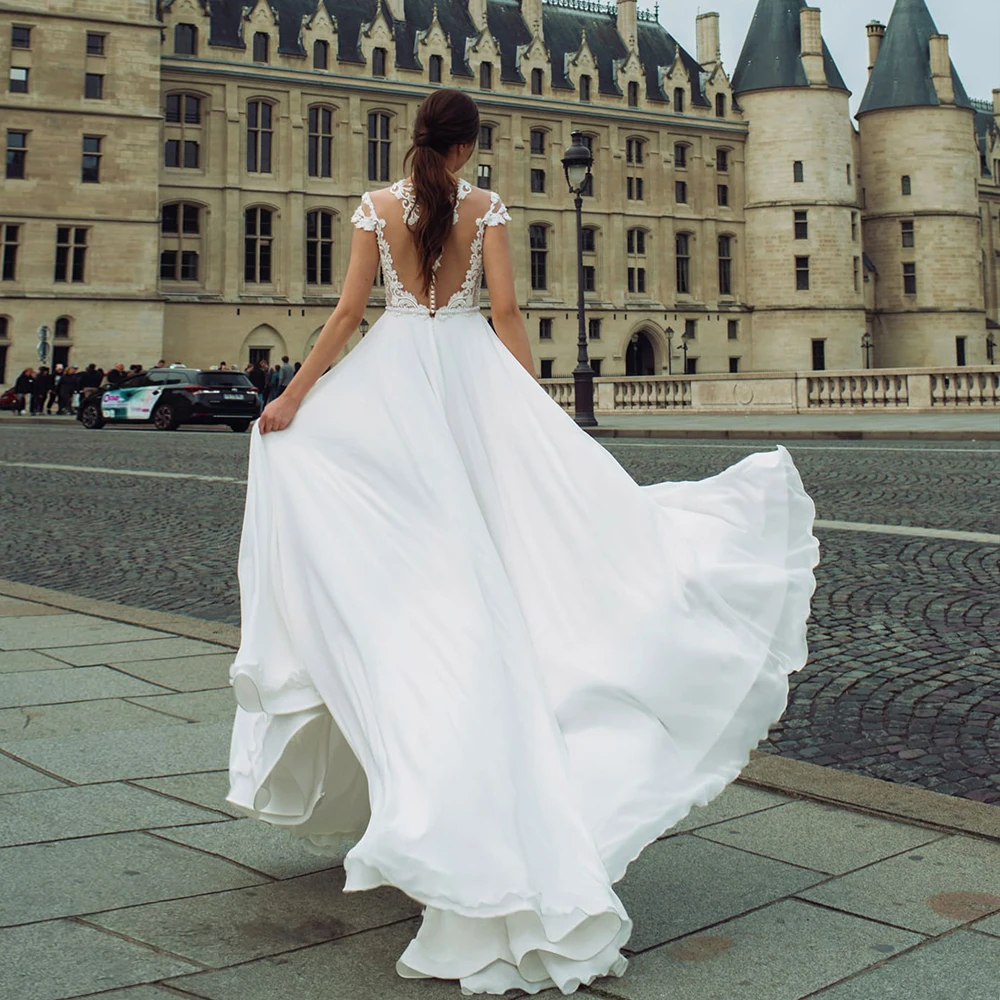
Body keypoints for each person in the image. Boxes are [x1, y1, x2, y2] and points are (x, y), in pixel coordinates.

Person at [228, 89, 819, 996]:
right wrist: (537, 414)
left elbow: (348, 317)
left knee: (412, 580)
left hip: (392, 390)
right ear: (468, 147)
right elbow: (507, 314)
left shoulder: (377, 208)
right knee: (515, 561)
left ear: (415, 140)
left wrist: (294, 400)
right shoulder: (487, 209)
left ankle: (418, 755)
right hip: (469, 382)